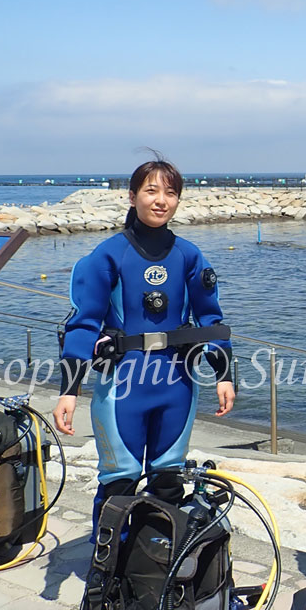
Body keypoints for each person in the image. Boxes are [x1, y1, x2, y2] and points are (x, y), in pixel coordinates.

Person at [53, 156, 235, 534]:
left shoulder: (189, 255)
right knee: (119, 480)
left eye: (171, 192)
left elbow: (211, 321)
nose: (161, 200)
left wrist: (224, 375)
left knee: (168, 479)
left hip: (177, 384)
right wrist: (69, 391)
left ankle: (155, 563)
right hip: (123, 385)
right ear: (132, 196)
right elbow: (83, 324)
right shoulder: (107, 256)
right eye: (151, 190)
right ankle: (107, 574)